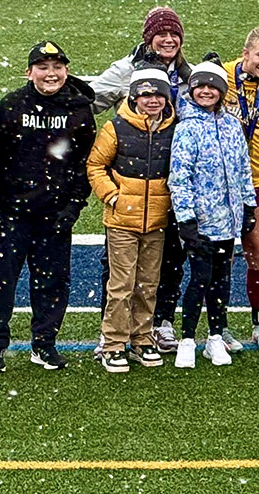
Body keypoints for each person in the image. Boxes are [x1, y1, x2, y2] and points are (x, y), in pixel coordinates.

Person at [0, 41, 96, 374]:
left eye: (57, 67)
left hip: (54, 217)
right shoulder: (12, 106)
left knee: (52, 283)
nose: (51, 74)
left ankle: (43, 344)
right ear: (29, 71)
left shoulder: (78, 109)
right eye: (43, 67)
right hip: (11, 215)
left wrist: (72, 207)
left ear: (67, 70)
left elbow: (85, 164)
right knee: (0, 282)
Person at [88, 6, 194, 355]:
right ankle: (113, 331)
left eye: (174, 34)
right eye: (160, 34)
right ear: (148, 37)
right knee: (119, 268)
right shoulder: (125, 70)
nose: (168, 39)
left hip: (169, 183)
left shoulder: (187, 73)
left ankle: (156, 324)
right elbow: (91, 102)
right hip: (130, 185)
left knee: (167, 260)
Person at [87, 66, 176, 373]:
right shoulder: (115, 128)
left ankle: (141, 338)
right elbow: (95, 165)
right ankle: (112, 343)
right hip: (122, 221)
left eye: (157, 94)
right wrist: (113, 197)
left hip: (157, 221)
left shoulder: (174, 127)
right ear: (135, 96)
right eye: (146, 94)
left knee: (149, 284)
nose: (152, 100)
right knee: (121, 284)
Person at [170, 60, 257, 368]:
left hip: (228, 221)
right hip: (201, 223)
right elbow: (179, 178)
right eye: (200, 86)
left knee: (221, 281)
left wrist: (248, 206)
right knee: (200, 280)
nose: (206, 91)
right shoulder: (186, 127)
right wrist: (187, 220)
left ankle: (216, 337)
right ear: (192, 89)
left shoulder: (233, 125)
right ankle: (187, 339)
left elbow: (244, 169)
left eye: (212, 87)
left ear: (222, 92)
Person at [223, 28, 259, 349]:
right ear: (245, 53)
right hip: (221, 180)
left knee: (257, 248)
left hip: (257, 177)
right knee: (223, 254)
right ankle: (222, 325)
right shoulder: (221, 77)